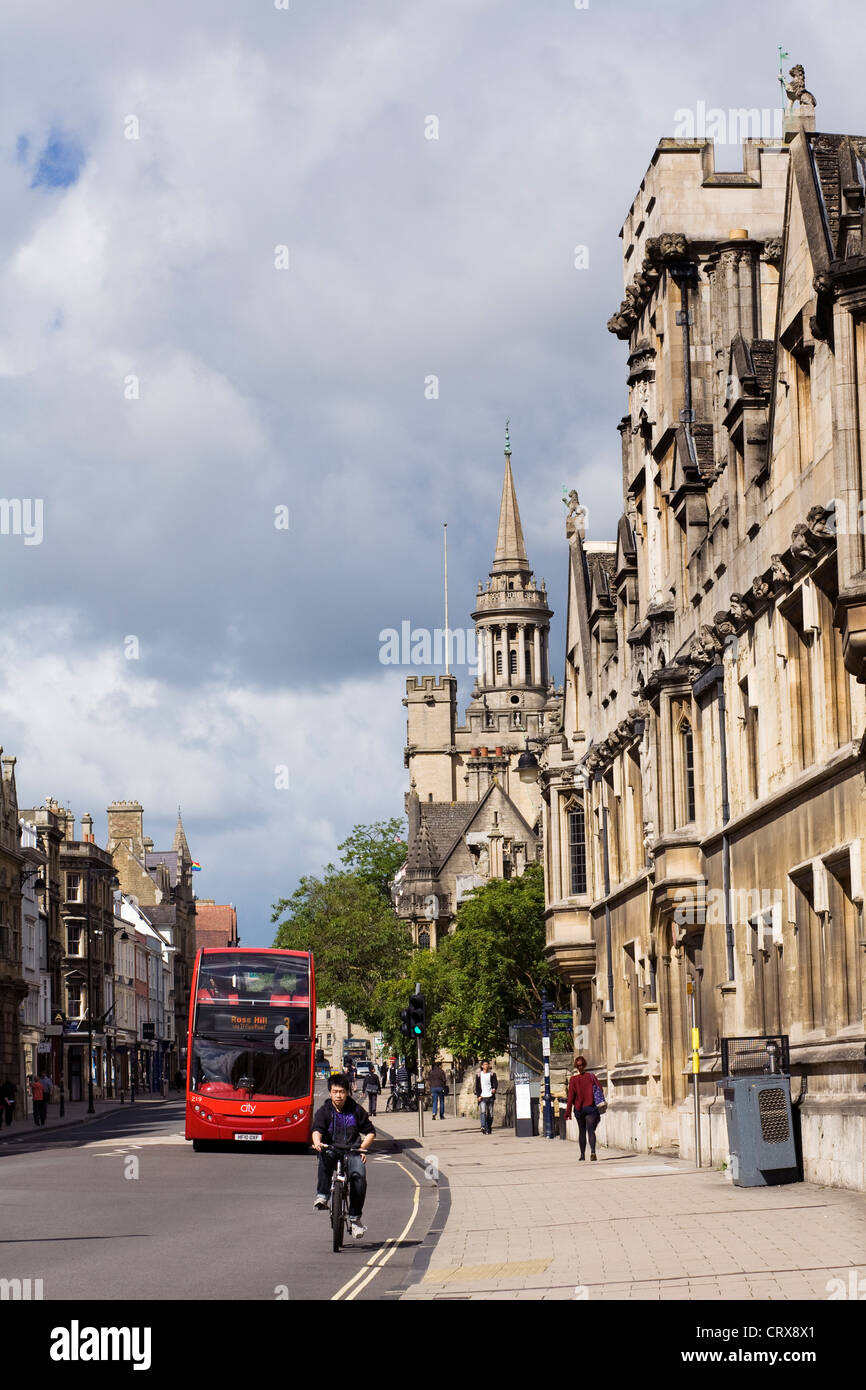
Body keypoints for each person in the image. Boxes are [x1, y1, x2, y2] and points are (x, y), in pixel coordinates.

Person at [311, 1073, 375, 1239]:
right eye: (334, 1091)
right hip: (331, 1149)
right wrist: (317, 1143)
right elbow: (317, 1129)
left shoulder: (356, 1110)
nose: (338, 1095)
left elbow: (370, 1132)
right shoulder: (324, 1111)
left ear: (347, 1092)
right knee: (324, 1158)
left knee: (359, 1175)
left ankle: (354, 1219)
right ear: (330, 1093)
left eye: (341, 1091)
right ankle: (323, 1196)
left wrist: (362, 1148)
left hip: (352, 1151)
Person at [565, 1055, 604, 1162]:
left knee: (582, 1131)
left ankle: (582, 1155)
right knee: (591, 1130)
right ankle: (593, 1152)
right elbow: (600, 1089)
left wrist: (567, 1112)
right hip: (590, 1107)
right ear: (585, 1065)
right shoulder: (591, 1076)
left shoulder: (573, 1080)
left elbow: (571, 1097)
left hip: (579, 1109)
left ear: (576, 1067)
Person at [475, 1061, 498, 1134]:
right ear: (482, 1066)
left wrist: (494, 1089)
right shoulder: (479, 1075)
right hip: (482, 1096)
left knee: (490, 1114)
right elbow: (477, 1087)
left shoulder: (492, 1074)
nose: (486, 1066)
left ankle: (489, 1127)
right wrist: (478, 1096)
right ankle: (483, 1126)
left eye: (487, 1064)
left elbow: (495, 1083)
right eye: (484, 1064)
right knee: (483, 1112)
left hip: (490, 1096)